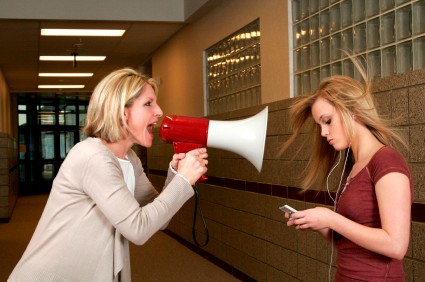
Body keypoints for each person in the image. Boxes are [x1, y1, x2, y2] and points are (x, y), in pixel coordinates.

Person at [8, 68, 208, 282]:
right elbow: (138, 229)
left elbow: (158, 220)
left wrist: (175, 175)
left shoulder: (129, 158)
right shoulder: (92, 156)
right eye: (148, 103)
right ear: (121, 112)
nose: (159, 111)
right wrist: (184, 180)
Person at [280, 61, 414, 281]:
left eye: (328, 121)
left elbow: (396, 245)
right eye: (320, 125)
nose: (323, 133)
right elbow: (349, 243)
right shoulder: (353, 167)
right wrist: (320, 224)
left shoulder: (387, 161)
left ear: (352, 111)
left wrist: (332, 219)